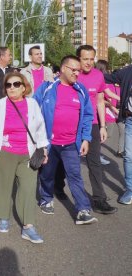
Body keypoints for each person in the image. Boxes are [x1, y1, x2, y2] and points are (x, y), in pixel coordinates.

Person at [0, 72, 48, 243]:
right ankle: (4, 216)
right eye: (8, 85)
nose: (12, 88)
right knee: (3, 186)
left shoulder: (32, 104)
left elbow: (40, 128)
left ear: (24, 87)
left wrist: (43, 149)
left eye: (16, 84)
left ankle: (28, 226)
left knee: (28, 188)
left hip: (28, 153)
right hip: (5, 151)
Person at [33, 55, 98, 225]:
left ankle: (83, 210)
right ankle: (46, 198)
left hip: (71, 144)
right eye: (73, 69)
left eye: (79, 70)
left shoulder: (81, 90)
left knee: (75, 176)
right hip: (49, 143)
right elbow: (33, 110)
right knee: (47, 174)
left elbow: (88, 116)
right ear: (63, 69)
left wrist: (85, 138)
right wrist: (38, 141)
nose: (77, 73)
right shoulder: (47, 88)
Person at [75, 45, 117, 214]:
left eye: (91, 59)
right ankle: (56, 186)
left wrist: (102, 126)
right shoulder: (73, 74)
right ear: (78, 59)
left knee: (94, 162)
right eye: (85, 59)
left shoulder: (98, 75)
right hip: (71, 124)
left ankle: (99, 199)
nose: (89, 62)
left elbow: (100, 101)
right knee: (66, 162)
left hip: (91, 124)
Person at [105, 64, 132, 204]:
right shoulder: (127, 71)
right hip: (130, 120)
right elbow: (106, 78)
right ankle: (130, 189)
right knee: (128, 156)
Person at [96, 60, 124, 157]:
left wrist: (123, 99)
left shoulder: (106, 82)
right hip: (103, 112)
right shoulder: (99, 80)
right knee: (104, 134)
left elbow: (109, 94)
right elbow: (99, 100)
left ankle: (120, 151)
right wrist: (112, 107)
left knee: (120, 131)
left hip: (113, 112)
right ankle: (94, 152)